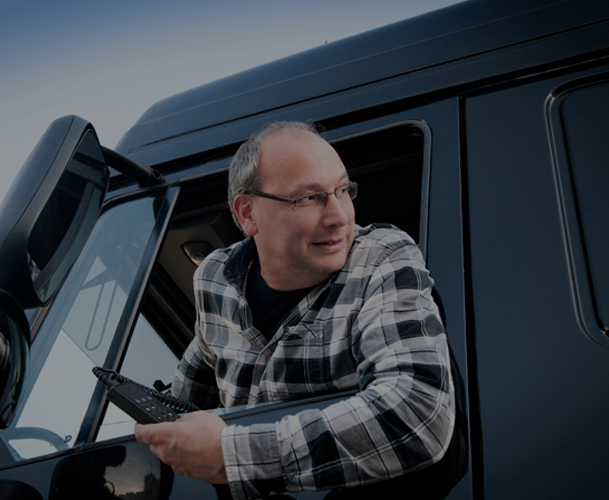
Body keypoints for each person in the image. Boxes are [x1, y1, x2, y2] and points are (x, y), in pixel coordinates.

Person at [134, 121, 455, 499]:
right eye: (308, 198)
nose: (339, 216)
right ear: (248, 213)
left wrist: (231, 455)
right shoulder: (214, 278)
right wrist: (163, 425)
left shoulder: (383, 260)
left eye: (342, 190)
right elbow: (204, 361)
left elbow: (417, 411)